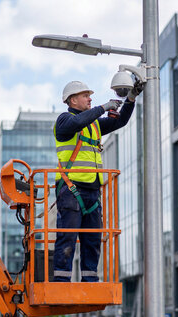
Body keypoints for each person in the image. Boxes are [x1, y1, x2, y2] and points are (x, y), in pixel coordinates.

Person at [53, 80, 143, 282]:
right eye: (86, 95)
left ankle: (90, 279)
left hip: (92, 190)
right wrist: (103, 107)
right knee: (68, 235)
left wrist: (130, 99)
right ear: (73, 99)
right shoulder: (64, 121)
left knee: (92, 238)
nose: (90, 98)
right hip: (71, 189)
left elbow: (119, 122)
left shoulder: (93, 125)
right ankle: (61, 281)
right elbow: (76, 123)